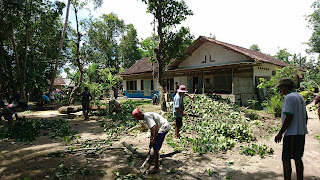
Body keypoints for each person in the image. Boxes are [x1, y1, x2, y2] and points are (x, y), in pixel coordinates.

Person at [274, 77, 308, 180]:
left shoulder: (289, 98)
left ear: (285, 87)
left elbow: (289, 116)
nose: (280, 90)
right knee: (298, 158)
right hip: (301, 133)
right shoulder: (300, 97)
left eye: (280, 88)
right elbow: (305, 117)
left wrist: (280, 133)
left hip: (292, 134)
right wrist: (301, 127)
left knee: (286, 159)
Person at [132, 108, 171, 174]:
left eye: (138, 118)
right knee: (155, 145)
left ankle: (156, 167)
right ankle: (155, 157)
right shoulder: (147, 115)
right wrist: (151, 138)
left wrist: (153, 139)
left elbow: (154, 127)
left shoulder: (146, 117)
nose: (139, 120)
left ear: (139, 115)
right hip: (164, 126)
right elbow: (152, 128)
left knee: (156, 147)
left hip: (164, 127)